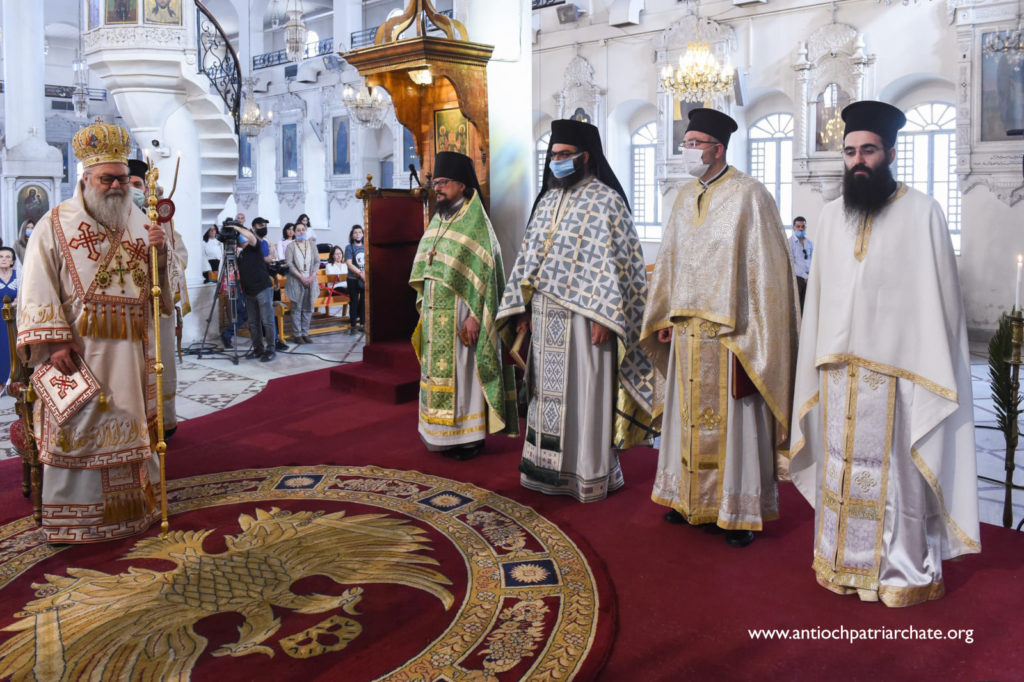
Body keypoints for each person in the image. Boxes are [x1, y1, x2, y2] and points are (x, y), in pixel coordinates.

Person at [788, 100, 980, 606]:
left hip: (899, 378)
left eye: (867, 150)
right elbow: (823, 300)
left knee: (895, 480)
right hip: (838, 375)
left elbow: (939, 307)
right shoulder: (830, 217)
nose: (857, 161)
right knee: (841, 471)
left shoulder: (924, 213)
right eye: (850, 151)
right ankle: (839, 563)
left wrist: (923, 366)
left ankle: (900, 573)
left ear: (890, 152)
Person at [641, 108, 800, 548]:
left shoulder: (750, 195)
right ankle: (686, 499)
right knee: (685, 419)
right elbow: (670, 261)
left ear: (718, 148)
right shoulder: (684, 196)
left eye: (695, 143)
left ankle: (737, 512)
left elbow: (768, 275)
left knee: (737, 425)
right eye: (687, 142)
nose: (689, 150)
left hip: (733, 338)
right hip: (688, 335)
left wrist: (753, 335)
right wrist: (666, 315)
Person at [15, 119, 168, 543]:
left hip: (131, 350)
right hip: (78, 349)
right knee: (81, 427)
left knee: (130, 422)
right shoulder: (54, 223)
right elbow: (36, 284)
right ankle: (79, 518)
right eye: (109, 178)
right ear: (86, 178)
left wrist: (161, 250)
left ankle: (135, 510)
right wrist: (54, 340)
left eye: (123, 178)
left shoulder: (139, 219)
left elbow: (157, 289)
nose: (119, 186)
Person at [496, 119, 654, 502]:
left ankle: (588, 472)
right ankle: (544, 469)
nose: (556, 162)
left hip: (588, 323)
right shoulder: (547, 200)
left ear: (585, 158)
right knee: (545, 396)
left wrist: (608, 319)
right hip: (546, 317)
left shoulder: (607, 201)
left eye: (564, 155)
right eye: (552, 155)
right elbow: (529, 257)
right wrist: (523, 308)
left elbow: (622, 267)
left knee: (585, 395)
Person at [409, 152, 518, 460]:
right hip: (435, 314)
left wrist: (474, 316)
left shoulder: (477, 223)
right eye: (436, 183)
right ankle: (440, 435)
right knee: (438, 374)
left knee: (464, 374)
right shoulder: (440, 219)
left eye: (443, 183)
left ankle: (468, 438)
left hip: (461, 316)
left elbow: (486, 276)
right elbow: (427, 263)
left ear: (461, 184)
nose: (437, 188)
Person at [128, 159, 190, 440]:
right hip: (124, 309)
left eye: (138, 185)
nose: (133, 191)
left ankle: (164, 422)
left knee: (160, 362)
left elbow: (182, 257)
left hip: (156, 306)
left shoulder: (163, 219)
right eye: (128, 185)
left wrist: (163, 251)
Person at [232, 219, 277, 361]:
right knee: (253, 322)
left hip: (262, 288)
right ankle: (258, 349)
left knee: (267, 321)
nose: (263, 227)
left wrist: (237, 227)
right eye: (260, 225)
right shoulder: (242, 252)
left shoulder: (256, 245)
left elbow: (251, 238)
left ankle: (270, 349)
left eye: (265, 226)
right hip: (249, 291)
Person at [284, 221, 319, 344]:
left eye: (303, 229)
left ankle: (305, 333)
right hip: (296, 281)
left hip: (311, 280)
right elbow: (289, 263)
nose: (301, 232)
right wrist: (301, 277)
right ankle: (297, 334)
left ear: (306, 230)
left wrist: (312, 276)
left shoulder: (312, 245)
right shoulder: (291, 246)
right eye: (298, 230)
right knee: (296, 308)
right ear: (294, 232)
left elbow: (317, 262)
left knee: (308, 308)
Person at [0, 246, 18, 383]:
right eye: (1, 257)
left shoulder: (19, 275)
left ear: (12, 261)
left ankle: (13, 379)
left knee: (12, 346)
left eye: (7, 257)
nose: (4, 259)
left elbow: (24, 295)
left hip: (15, 317)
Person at [789, 216, 813, 309]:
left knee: (807, 305)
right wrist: (804, 275)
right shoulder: (790, 243)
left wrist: (809, 275)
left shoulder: (809, 243)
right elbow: (791, 263)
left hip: (809, 278)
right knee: (798, 305)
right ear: (793, 227)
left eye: (803, 227)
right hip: (798, 278)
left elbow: (813, 259)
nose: (800, 229)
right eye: (798, 226)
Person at [345, 225, 365, 333]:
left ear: (362, 234)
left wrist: (365, 274)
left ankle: (363, 324)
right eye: (355, 233)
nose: (358, 234)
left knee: (363, 302)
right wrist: (360, 273)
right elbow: (349, 263)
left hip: (364, 278)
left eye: (359, 232)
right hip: (353, 279)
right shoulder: (349, 247)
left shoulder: (366, 246)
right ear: (352, 235)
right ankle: (353, 325)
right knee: (354, 302)